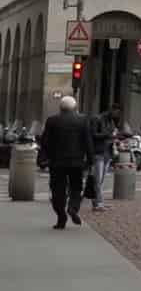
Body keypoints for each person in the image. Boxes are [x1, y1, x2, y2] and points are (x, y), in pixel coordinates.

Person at [40, 96, 94, 229]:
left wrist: (42, 159)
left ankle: (61, 216)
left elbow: (45, 142)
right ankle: (73, 208)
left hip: (57, 163)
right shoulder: (82, 120)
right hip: (76, 162)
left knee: (57, 190)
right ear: (75, 108)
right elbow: (88, 142)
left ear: (60, 108)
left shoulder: (52, 120)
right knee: (76, 187)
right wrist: (90, 160)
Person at [86, 103, 120, 211]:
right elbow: (93, 134)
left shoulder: (111, 122)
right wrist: (108, 135)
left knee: (101, 180)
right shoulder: (97, 119)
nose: (117, 114)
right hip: (98, 152)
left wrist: (116, 137)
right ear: (111, 110)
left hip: (107, 153)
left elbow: (111, 135)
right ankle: (98, 203)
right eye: (116, 112)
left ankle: (98, 202)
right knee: (97, 179)